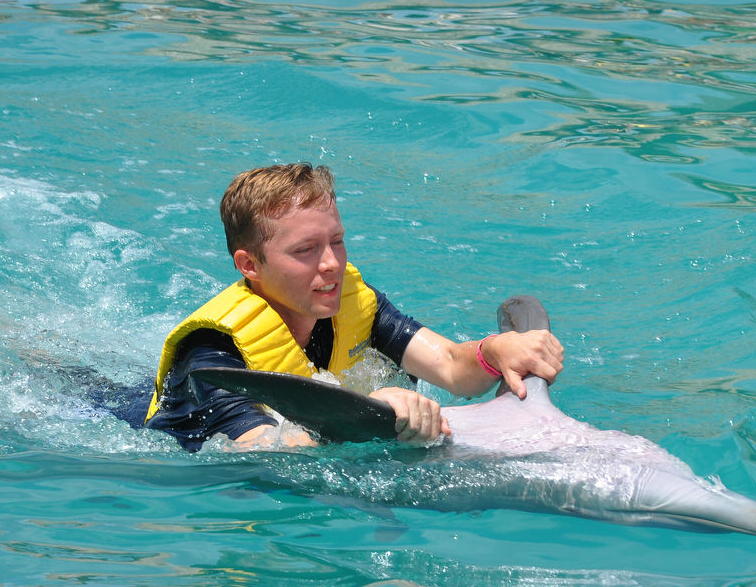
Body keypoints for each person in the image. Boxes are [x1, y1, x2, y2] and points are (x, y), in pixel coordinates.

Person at [145, 163, 563, 450]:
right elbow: (269, 452)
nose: (332, 263)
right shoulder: (210, 353)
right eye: (306, 250)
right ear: (250, 265)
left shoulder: (349, 301)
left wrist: (492, 351)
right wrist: (371, 414)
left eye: (337, 241)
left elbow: (452, 367)